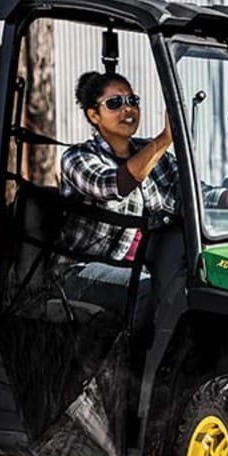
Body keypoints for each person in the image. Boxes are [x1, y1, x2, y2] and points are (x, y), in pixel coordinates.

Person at [57, 70, 176, 312]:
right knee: (149, 292)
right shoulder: (77, 157)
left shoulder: (152, 154)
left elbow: (198, 195)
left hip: (144, 267)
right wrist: (164, 139)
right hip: (82, 271)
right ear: (94, 115)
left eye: (132, 101)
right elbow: (113, 185)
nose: (128, 109)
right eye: (114, 103)